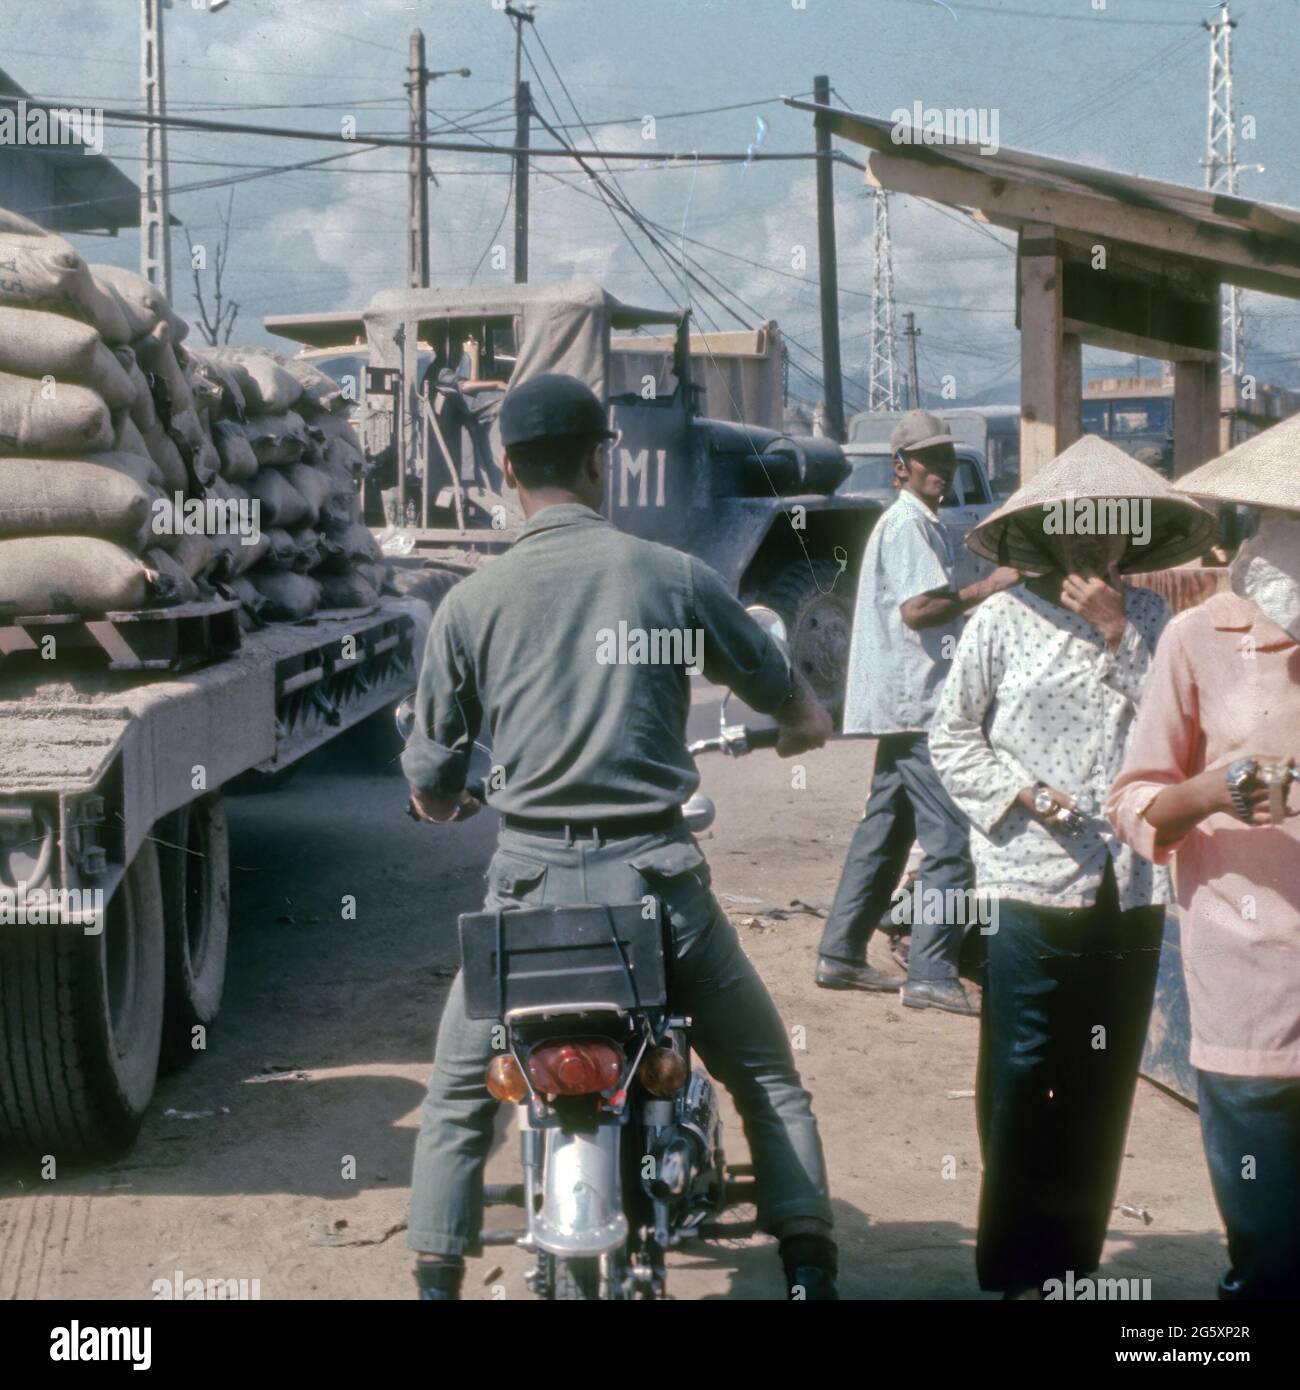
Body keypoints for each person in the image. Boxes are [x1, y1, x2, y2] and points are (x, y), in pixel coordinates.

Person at [401, 372, 839, 1301]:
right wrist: (800, 724)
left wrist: (442, 803)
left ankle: (435, 1280)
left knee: (452, 1099)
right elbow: (792, 701)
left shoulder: (470, 605)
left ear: (510, 469)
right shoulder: (675, 577)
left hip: (527, 899)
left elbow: (433, 779)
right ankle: (808, 1272)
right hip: (658, 890)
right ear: (605, 460)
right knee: (767, 1077)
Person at [929, 435, 1217, 1298]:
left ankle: (1073, 1261)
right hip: (1029, 879)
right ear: (1051, 537)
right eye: (1079, 534)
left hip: (1129, 887)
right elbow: (951, 734)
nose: (1097, 551)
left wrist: (1115, 630)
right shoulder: (999, 622)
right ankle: (1015, 1262)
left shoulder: (1156, 628)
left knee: (1102, 1071)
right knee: (1022, 1068)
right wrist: (1020, 792)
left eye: (1112, 535)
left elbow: (1183, 735)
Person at [1108, 417, 1300, 1300]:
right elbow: (1136, 800)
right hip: (1252, 981)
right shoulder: (1197, 642)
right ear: (1266, 530)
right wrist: (1215, 790)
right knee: (1269, 1255)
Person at [815, 409, 1020, 1014]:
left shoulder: (913, 522)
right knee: (953, 843)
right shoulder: (908, 524)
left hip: (901, 704)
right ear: (901, 469)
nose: (942, 470)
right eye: (929, 460)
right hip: (917, 705)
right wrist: (994, 584)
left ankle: (840, 952)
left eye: (948, 458)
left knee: (883, 833)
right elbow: (920, 609)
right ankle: (930, 970)